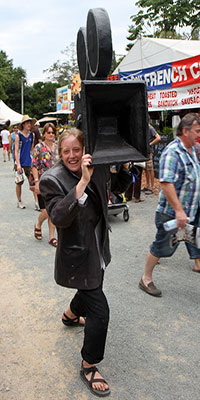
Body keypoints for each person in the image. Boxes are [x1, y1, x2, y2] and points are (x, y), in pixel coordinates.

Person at [39, 128, 132, 397]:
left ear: (84, 149)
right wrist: (81, 183)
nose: (72, 156)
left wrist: (123, 165)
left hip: (98, 246)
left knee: (92, 285)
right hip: (78, 255)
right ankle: (89, 364)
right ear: (59, 153)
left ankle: (69, 315)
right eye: (66, 151)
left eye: (76, 150)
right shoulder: (51, 179)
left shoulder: (95, 164)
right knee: (99, 311)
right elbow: (58, 217)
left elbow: (116, 188)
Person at [139, 113, 200, 297]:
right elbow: (166, 183)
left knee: (194, 237)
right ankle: (146, 279)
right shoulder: (172, 152)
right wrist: (179, 211)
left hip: (190, 211)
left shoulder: (192, 149)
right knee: (162, 246)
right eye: (197, 131)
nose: (199, 134)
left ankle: (197, 264)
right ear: (185, 131)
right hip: (173, 214)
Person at [32, 123, 58, 247]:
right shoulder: (38, 147)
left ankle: (52, 237)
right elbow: (34, 165)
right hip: (43, 182)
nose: (51, 134)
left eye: (53, 132)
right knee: (47, 210)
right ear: (44, 134)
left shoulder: (58, 147)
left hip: (56, 182)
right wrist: (36, 181)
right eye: (48, 132)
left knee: (53, 209)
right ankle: (38, 223)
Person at [15, 114, 36, 209]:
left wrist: (34, 160)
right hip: (20, 162)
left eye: (30, 123)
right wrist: (18, 164)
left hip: (29, 162)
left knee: (33, 182)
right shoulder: (18, 136)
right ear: (23, 124)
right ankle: (19, 201)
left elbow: (32, 149)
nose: (29, 124)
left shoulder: (32, 135)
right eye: (27, 123)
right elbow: (16, 151)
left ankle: (37, 202)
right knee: (19, 182)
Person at [142, 116, 161, 194]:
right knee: (146, 168)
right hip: (145, 151)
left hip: (149, 151)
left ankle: (152, 186)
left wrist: (150, 144)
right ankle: (147, 185)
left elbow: (158, 138)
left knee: (150, 168)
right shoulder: (146, 128)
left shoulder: (150, 128)